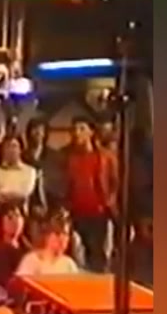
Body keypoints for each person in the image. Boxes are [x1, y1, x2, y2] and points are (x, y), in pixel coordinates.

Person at [64, 115, 118, 272]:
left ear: (91, 132)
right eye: (74, 129)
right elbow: (68, 185)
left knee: (97, 254)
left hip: (99, 213)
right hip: (77, 213)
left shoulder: (105, 156)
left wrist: (109, 202)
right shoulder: (70, 158)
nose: (77, 133)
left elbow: (115, 182)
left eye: (82, 129)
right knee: (79, 254)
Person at [16, 209, 80, 276]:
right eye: (57, 234)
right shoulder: (31, 260)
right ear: (47, 236)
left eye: (65, 234)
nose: (62, 239)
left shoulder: (69, 264)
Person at [0, 136, 37, 209]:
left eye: (14, 146)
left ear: (20, 150)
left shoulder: (30, 171)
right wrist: (11, 195)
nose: (11, 150)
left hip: (21, 212)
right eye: (7, 146)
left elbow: (24, 193)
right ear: (2, 150)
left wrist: (1, 193)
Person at [23, 118, 65, 212]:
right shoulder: (23, 156)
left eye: (41, 129)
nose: (38, 132)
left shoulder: (55, 156)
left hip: (51, 202)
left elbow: (60, 182)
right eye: (34, 129)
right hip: (29, 203)